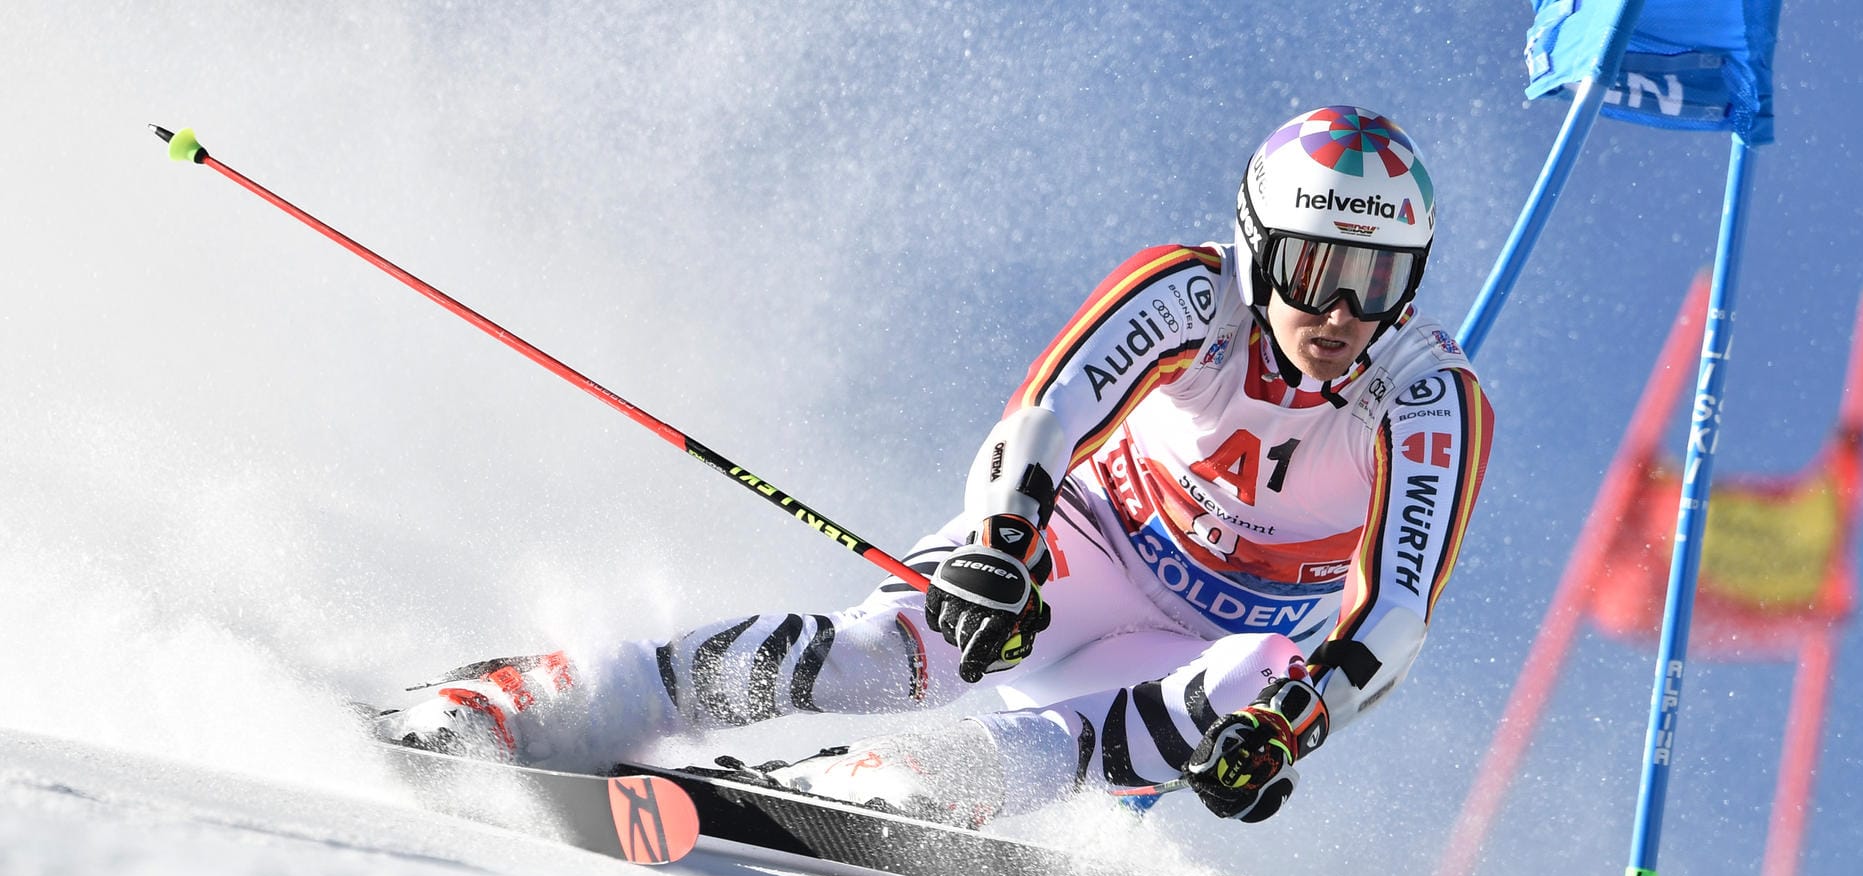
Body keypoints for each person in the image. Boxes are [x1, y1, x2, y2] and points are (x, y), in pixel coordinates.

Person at [377, 105, 1494, 829]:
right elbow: (1049, 411)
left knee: (1259, 680)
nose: (1342, 311)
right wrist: (1003, 543)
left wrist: (1295, 725)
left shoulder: (1426, 393)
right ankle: (552, 694)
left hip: (1205, 641)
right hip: (1089, 548)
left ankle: (898, 783)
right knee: (892, 651)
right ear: (1258, 244)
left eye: (1378, 278)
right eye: (1313, 267)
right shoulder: (1198, 296)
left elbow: (1394, 611)